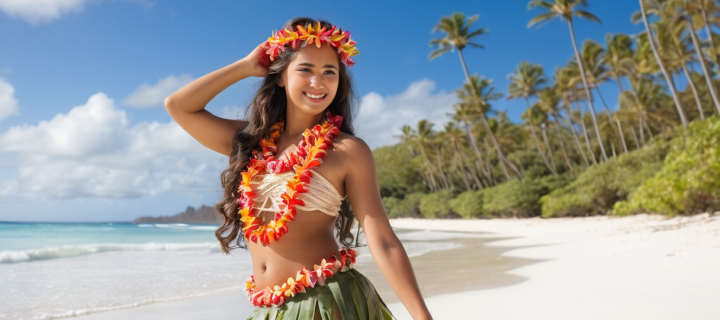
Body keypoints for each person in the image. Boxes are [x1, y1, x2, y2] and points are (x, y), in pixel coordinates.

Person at [165, 17, 432, 320]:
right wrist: (246, 65)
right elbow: (178, 105)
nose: (318, 83)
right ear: (280, 76)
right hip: (269, 308)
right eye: (305, 69)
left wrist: (422, 317)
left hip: (325, 302)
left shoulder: (347, 151)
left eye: (329, 72)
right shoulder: (250, 142)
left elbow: (383, 240)